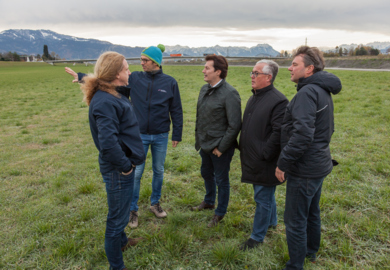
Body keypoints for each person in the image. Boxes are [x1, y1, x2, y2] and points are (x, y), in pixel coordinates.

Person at [66, 44, 183, 228]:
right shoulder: (134, 78)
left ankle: (155, 204)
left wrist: (177, 133)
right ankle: (132, 210)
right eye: (141, 60)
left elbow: (176, 109)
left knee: (159, 171)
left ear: (156, 63)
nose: (141, 63)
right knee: (136, 174)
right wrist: (81, 77)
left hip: (161, 134)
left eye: (145, 60)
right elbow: (106, 77)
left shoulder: (170, 82)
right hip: (139, 136)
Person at [275, 46, 342, 270]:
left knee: (295, 219)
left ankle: (295, 265)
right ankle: (311, 252)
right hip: (318, 163)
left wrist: (283, 163)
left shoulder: (306, 93)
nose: (289, 68)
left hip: (305, 168)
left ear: (309, 68)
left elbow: (303, 134)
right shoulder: (321, 90)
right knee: (312, 211)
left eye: (295, 64)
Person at [80, 51, 146, 270]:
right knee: (116, 220)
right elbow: (108, 144)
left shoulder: (112, 95)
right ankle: (116, 266)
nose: (130, 72)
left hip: (121, 167)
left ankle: (123, 242)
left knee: (121, 210)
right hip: (118, 170)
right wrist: (126, 168)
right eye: (126, 68)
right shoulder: (106, 101)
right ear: (117, 73)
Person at [238, 60, 288, 250]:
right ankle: (272, 222)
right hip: (253, 157)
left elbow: (279, 132)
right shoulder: (255, 96)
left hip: (264, 159)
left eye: (256, 73)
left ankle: (256, 238)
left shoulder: (279, 101)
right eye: (252, 72)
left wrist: (264, 153)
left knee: (262, 197)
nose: (252, 76)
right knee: (266, 192)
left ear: (268, 77)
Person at [192, 55, 241, 227]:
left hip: (220, 147)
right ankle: (209, 201)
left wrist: (221, 147)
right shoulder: (204, 89)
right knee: (206, 173)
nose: (203, 70)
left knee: (221, 179)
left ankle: (220, 212)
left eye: (207, 68)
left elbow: (234, 125)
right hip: (204, 144)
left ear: (218, 72)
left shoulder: (230, 93)